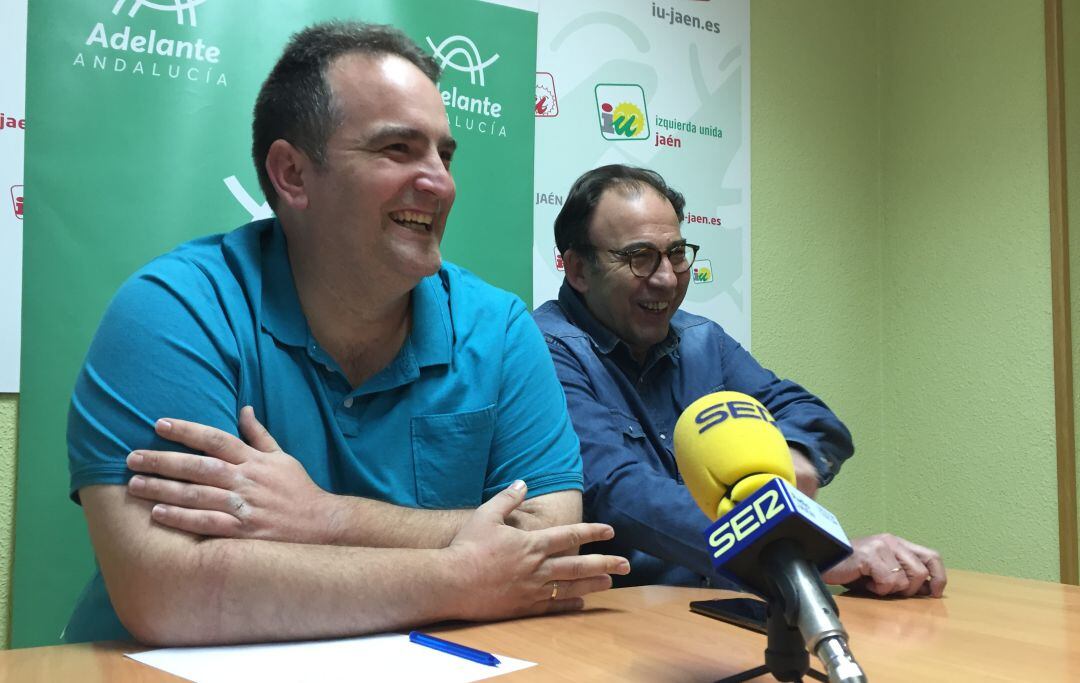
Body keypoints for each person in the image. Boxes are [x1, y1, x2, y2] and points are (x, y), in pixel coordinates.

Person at [64, 22, 629, 646]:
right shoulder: (176, 310)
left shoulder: (498, 329)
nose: (441, 183)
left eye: (445, 154)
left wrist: (325, 518)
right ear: (293, 175)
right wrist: (460, 574)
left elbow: (547, 549)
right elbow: (169, 591)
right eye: (398, 149)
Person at [532, 164, 946, 598]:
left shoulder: (701, 340)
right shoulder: (544, 349)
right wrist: (797, 552)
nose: (668, 279)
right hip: (618, 622)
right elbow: (618, 491)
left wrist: (794, 454)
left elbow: (809, 415)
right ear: (578, 269)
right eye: (640, 258)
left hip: (727, 601)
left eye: (676, 253)